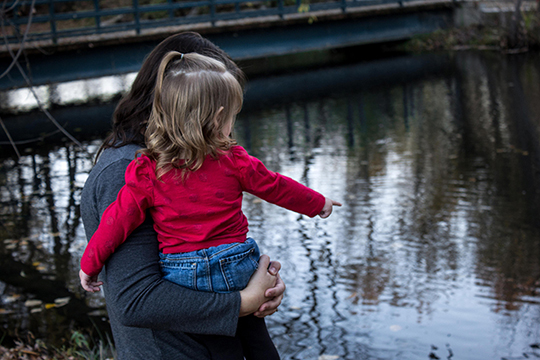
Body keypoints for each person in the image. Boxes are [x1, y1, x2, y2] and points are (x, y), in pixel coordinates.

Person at [80, 50, 341, 359]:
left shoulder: (147, 171)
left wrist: (89, 264)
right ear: (218, 119)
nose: (233, 124)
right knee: (257, 339)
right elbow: (276, 186)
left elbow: (115, 223)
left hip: (185, 275)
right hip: (236, 263)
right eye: (232, 116)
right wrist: (318, 203)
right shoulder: (233, 160)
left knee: (219, 338)